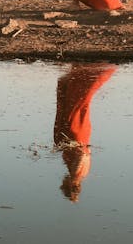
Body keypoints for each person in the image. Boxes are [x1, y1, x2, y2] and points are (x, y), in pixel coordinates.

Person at [54, 64, 116, 202]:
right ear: (69, 185)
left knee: (79, 106)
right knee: (76, 106)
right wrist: (72, 145)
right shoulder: (76, 175)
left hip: (81, 137)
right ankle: (84, 77)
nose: (61, 183)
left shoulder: (83, 175)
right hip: (76, 135)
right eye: (63, 185)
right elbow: (82, 155)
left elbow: (85, 154)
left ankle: (77, 78)